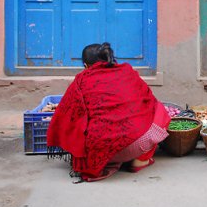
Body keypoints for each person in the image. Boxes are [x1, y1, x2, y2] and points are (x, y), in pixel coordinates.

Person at [47, 43, 171, 182]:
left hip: (101, 152)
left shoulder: (81, 81)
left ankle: (112, 161)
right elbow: (148, 101)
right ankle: (140, 160)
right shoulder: (127, 71)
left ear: (86, 65)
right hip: (140, 143)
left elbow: (67, 118)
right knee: (158, 108)